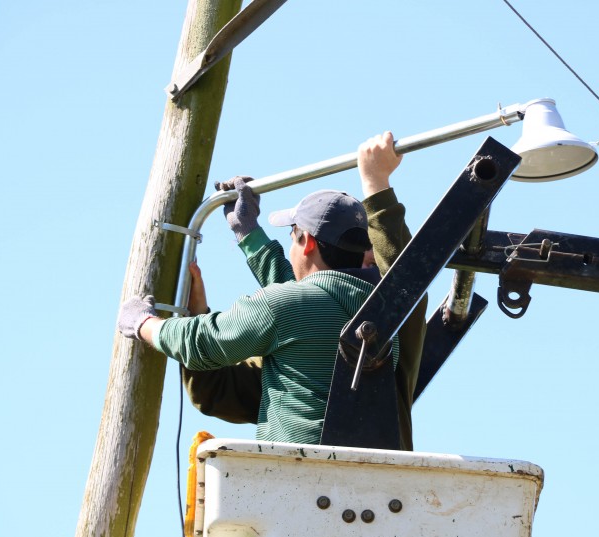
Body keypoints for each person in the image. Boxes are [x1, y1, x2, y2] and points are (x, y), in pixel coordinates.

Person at [180, 132, 428, 450]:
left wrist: (376, 183)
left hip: (364, 479)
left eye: (371, 247)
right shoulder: (291, 352)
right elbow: (304, 299)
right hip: (303, 480)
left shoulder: (396, 320)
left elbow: (402, 278)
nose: (365, 257)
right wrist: (247, 235)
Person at [119, 182, 397, 445]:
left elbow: (202, 342)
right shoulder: (384, 318)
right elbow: (309, 297)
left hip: (296, 471)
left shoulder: (289, 306)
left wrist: (142, 322)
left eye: (293, 235)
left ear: (309, 242)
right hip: (362, 472)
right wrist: (248, 233)